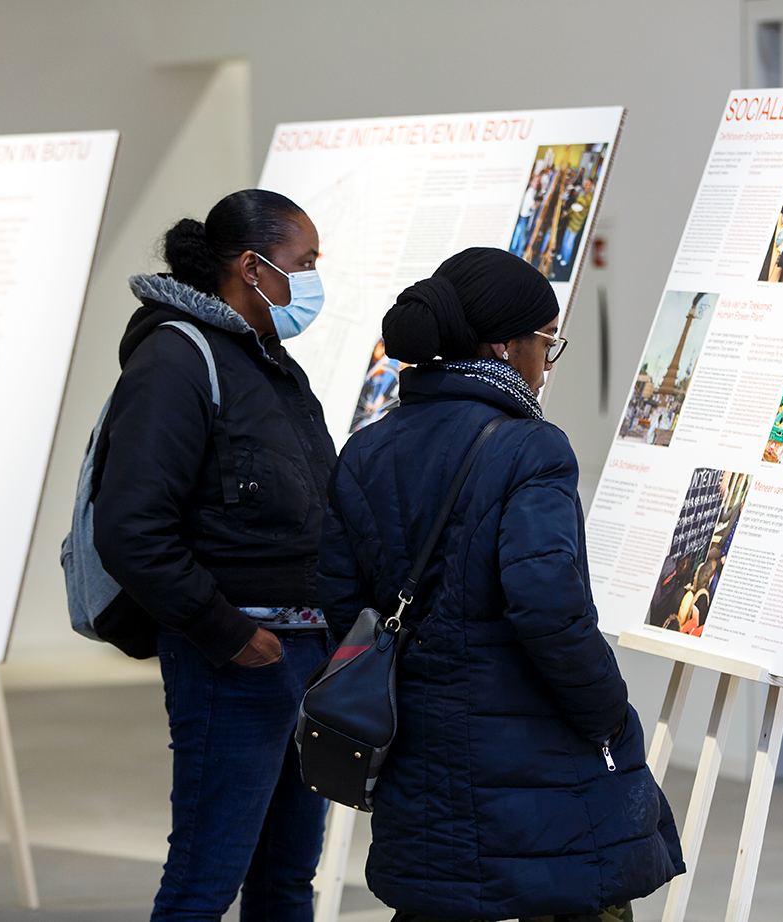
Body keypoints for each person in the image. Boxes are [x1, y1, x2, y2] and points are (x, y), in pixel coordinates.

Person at [318, 247, 684, 921]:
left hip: (417, 742)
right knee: (579, 896)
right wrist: (604, 709)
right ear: (505, 347)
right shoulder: (529, 449)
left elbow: (343, 603)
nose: (548, 363)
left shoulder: (366, 449)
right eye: (547, 342)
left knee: (443, 895)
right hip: (530, 747)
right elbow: (547, 604)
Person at [93, 189, 338, 922]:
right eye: (307, 262)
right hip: (235, 661)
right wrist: (228, 634)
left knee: (287, 879)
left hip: (306, 656)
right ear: (253, 268)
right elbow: (131, 527)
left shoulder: (267, 363)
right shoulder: (175, 359)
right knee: (206, 881)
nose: (315, 278)